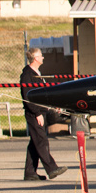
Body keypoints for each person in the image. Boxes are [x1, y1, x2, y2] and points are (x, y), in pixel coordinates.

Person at [20, 48, 67, 181]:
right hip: (34, 113)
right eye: (41, 56)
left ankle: (30, 172)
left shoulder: (36, 73)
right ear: (35, 58)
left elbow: (43, 94)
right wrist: (36, 113)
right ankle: (51, 168)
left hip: (41, 112)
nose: (43, 58)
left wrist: (54, 104)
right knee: (41, 141)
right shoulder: (27, 75)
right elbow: (27, 97)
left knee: (35, 143)